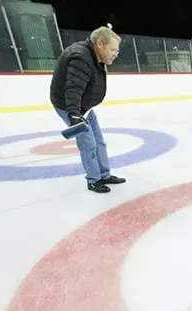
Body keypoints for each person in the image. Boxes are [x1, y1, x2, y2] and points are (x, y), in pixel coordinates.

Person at [50, 26, 125, 194]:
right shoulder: (81, 58)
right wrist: (74, 115)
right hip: (71, 106)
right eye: (113, 49)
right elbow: (73, 89)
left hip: (85, 107)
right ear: (99, 44)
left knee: (99, 141)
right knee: (88, 144)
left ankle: (104, 175)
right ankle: (93, 180)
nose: (115, 54)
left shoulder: (95, 56)